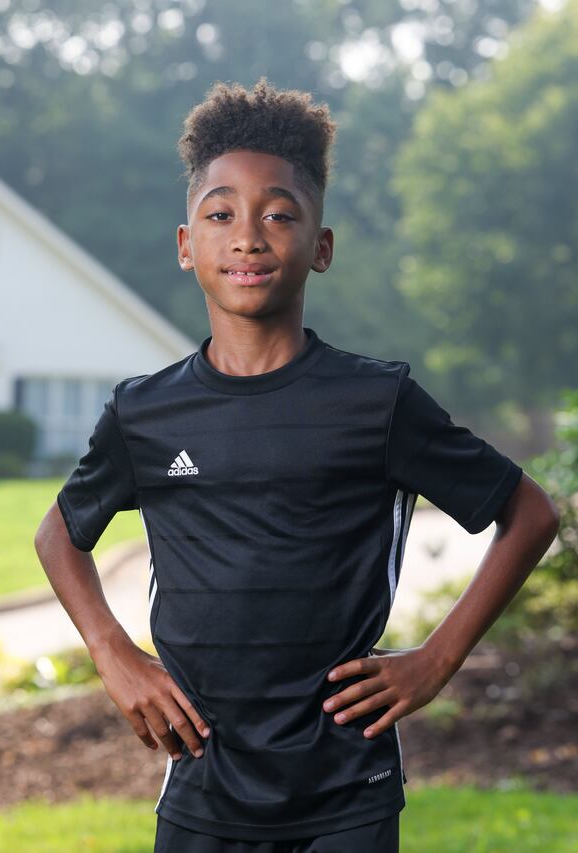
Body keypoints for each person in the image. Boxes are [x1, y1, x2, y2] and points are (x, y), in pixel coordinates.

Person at [34, 77, 560, 853]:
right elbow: (58, 535)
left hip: (347, 792)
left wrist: (436, 659)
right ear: (187, 246)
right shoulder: (144, 414)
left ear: (321, 247)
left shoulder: (376, 402)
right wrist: (115, 655)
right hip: (202, 784)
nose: (248, 235)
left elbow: (530, 512)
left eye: (279, 214)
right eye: (220, 215)